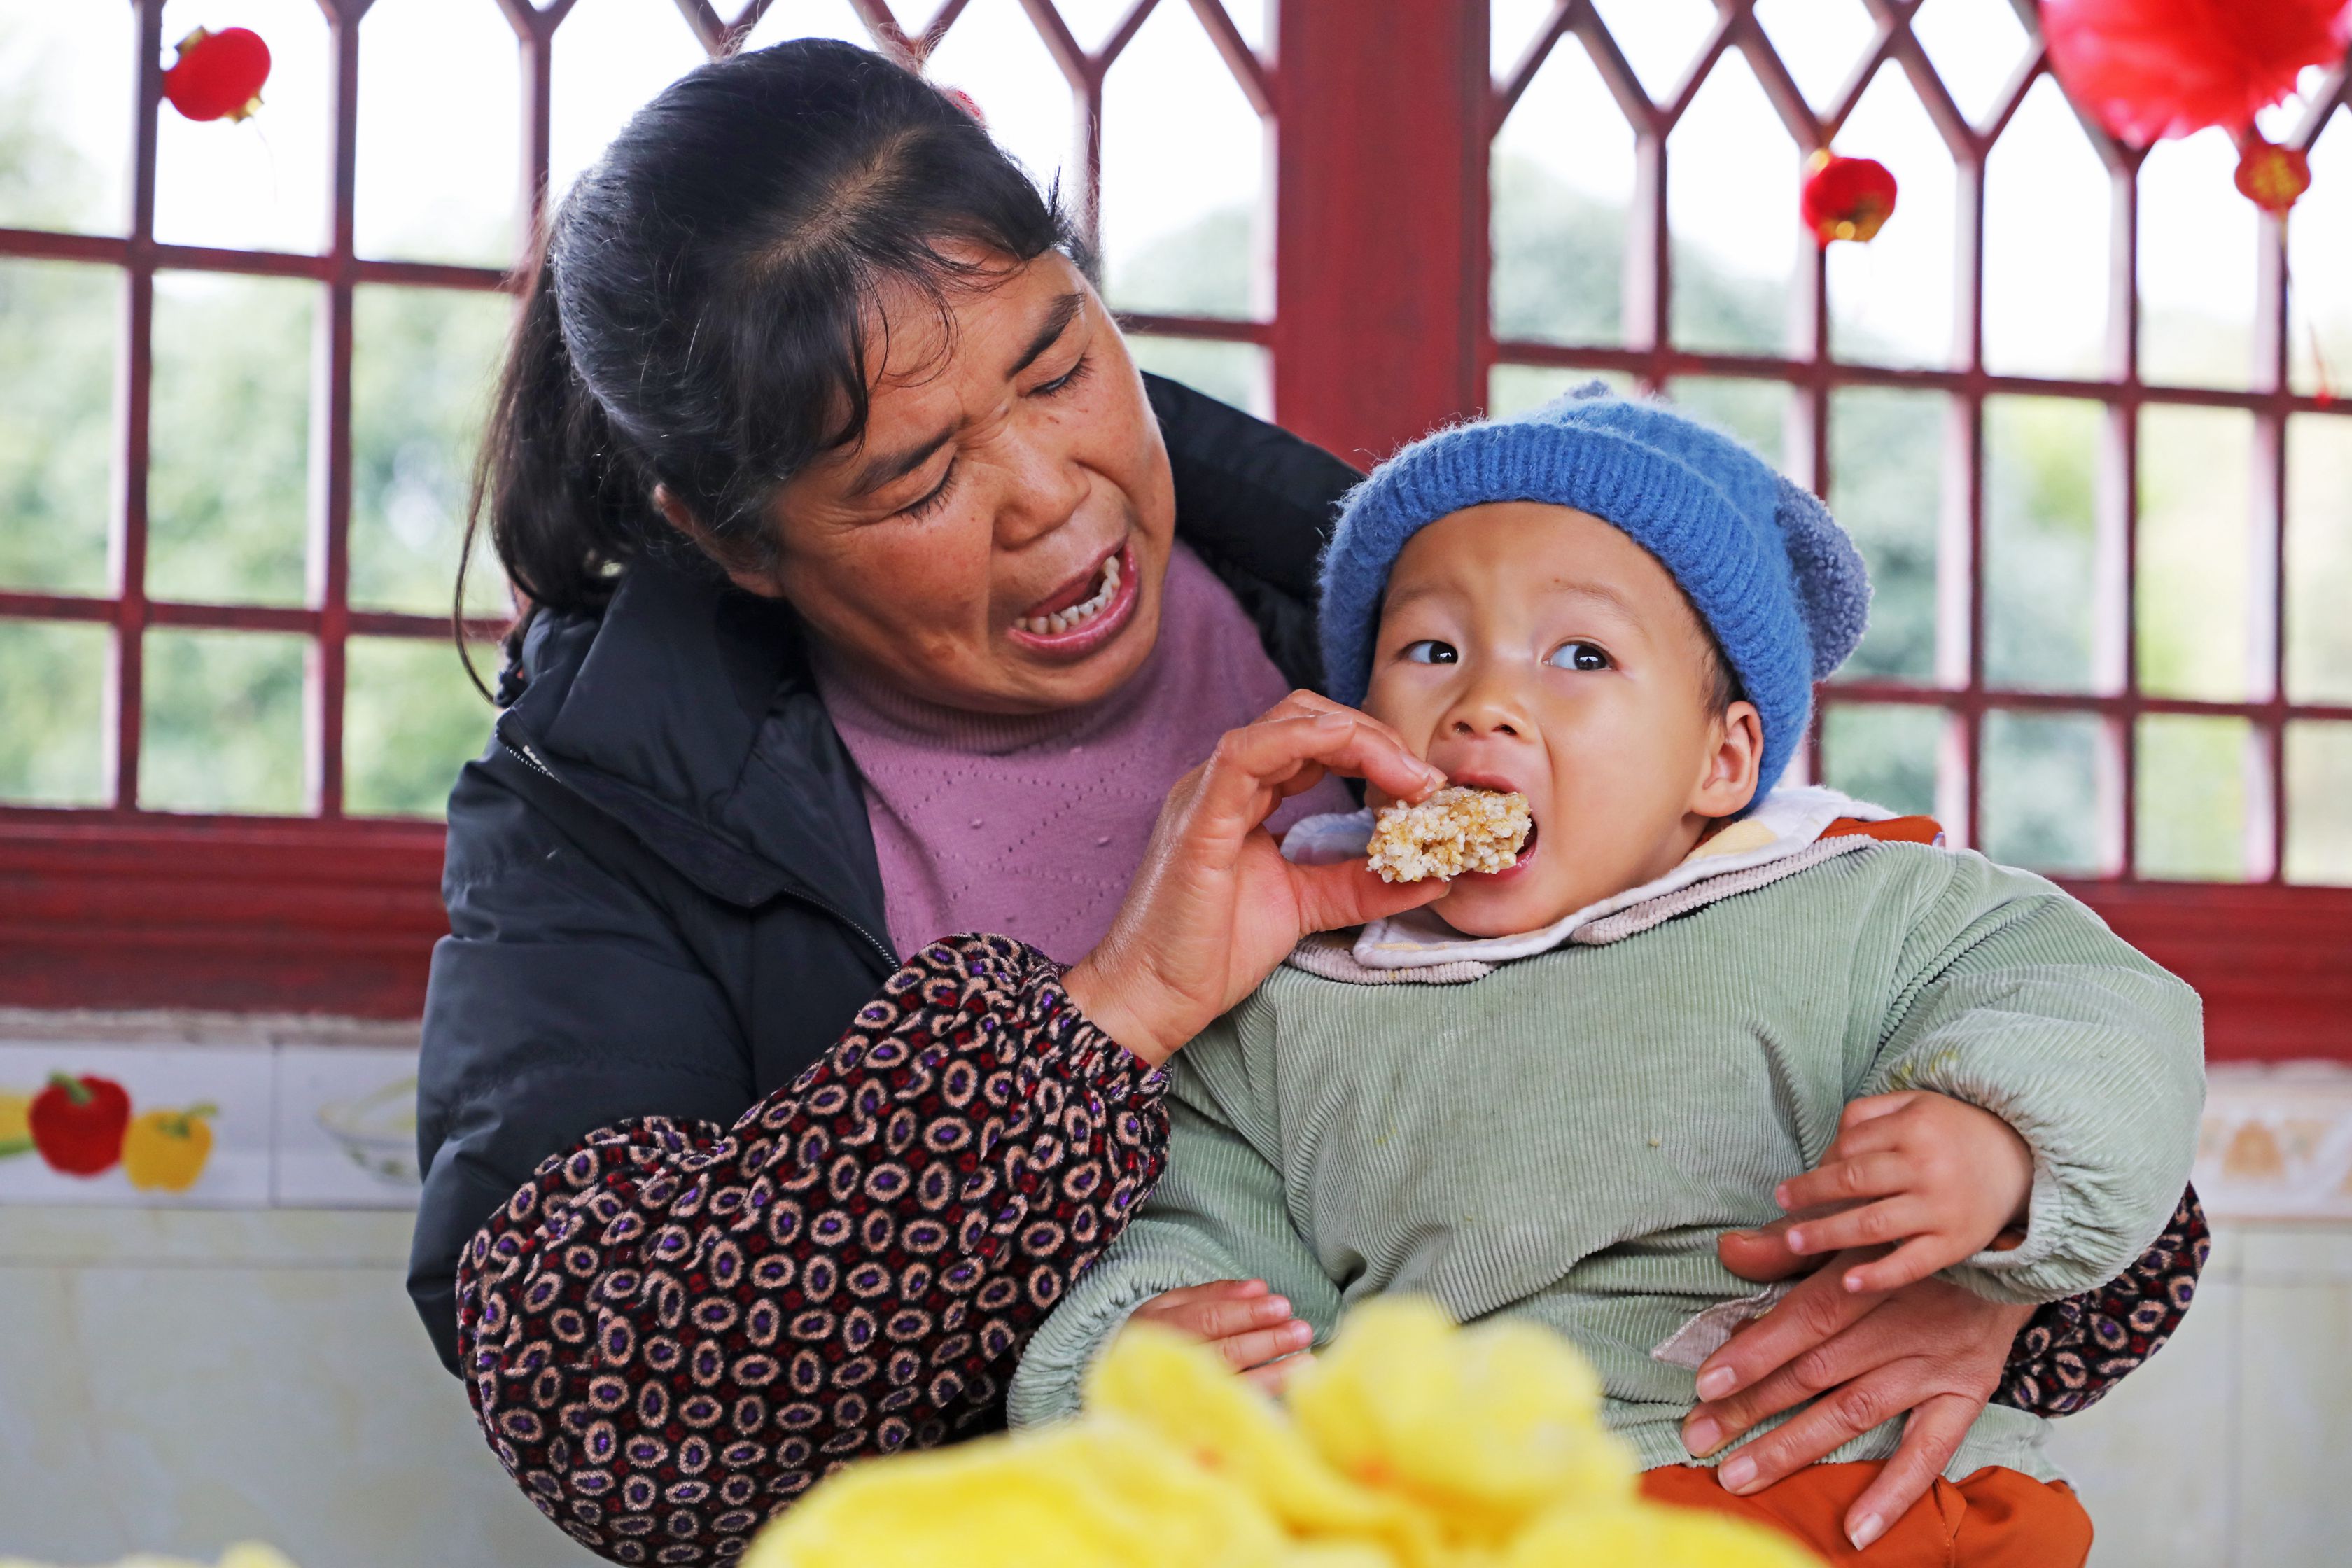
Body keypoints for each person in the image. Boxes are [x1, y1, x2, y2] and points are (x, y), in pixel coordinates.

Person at [409, 37, 2208, 1567]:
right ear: (733, 541)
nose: (1051, 495)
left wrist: (2002, 1260)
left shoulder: (1410, 607)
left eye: (1059, 362)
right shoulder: (602, 806)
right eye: (919, 476)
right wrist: (1124, 1015)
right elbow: (609, 1412)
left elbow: (1895, 1008)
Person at [1007, 391, 2206, 1566]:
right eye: (1430, 648)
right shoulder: (1293, 991)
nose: (1483, 702)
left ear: (1725, 759)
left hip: (1857, 1495)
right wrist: (1142, 1357)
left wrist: (2002, 1152)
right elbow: (1191, 1225)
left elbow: (2104, 1012)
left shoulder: (1867, 902)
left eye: (1579, 655)